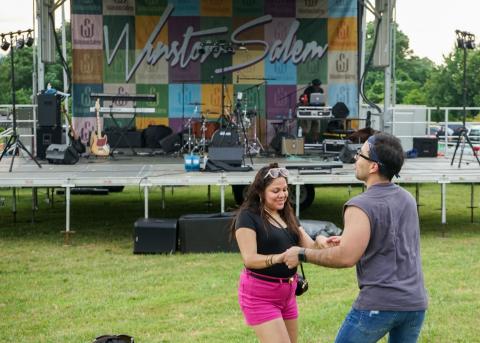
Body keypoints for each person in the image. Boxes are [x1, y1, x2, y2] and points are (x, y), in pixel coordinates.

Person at [283, 132, 428, 343]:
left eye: (360, 154)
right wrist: (348, 239)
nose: (355, 158)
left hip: (379, 303)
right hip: (415, 303)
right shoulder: (407, 198)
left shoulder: (360, 205)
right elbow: (391, 239)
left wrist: (302, 254)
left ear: (373, 166)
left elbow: (345, 258)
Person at [232, 162, 329, 343]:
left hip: (288, 292)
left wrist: (322, 240)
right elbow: (249, 259)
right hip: (260, 295)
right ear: (261, 192)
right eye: (275, 191)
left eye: (285, 190)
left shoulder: (287, 213)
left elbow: (309, 246)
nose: (282, 195)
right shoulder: (247, 216)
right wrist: (281, 258)